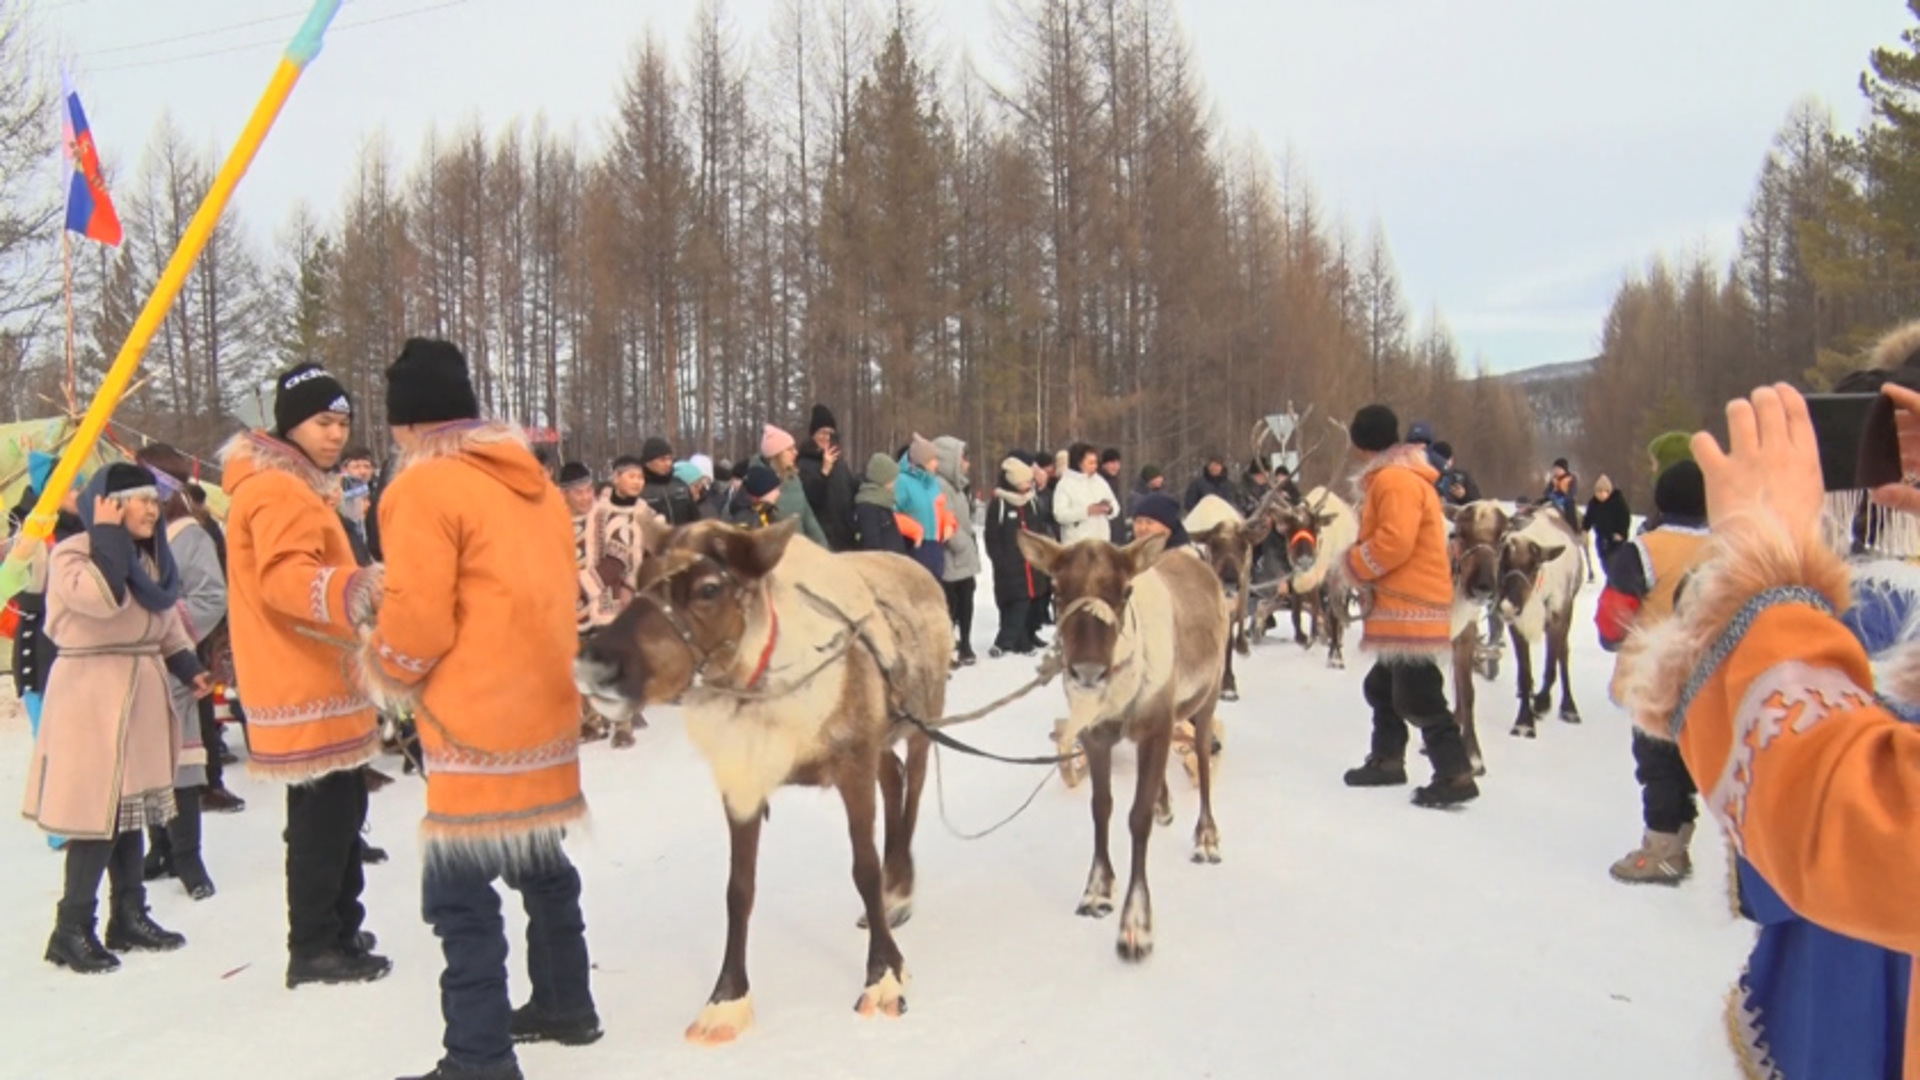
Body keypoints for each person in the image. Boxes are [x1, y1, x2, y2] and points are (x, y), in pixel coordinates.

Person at [1616, 382, 1920, 1080]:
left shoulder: (1854, 606)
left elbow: (1838, 813)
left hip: (1841, 958)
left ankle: (1662, 845)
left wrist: (1766, 572)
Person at [364, 339, 597, 1080]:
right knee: (539, 859)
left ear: (405, 423)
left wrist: (387, 670)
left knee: (458, 894)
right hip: (544, 706)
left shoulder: (422, 488)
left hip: (473, 715)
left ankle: (478, 1057)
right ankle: (567, 1002)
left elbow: (420, 618)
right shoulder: (530, 481)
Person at [221, 362, 391, 988]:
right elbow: (284, 579)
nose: (335, 435)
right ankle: (314, 944)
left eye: (343, 423)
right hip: (302, 679)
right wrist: (360, 587)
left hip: (325, 673)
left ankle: (341, 926)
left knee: (343, 812)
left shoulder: (300, 487)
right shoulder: (276, 491)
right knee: (322, 823)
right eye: (323, 422)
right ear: (291, 425)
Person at [26, 463, 208, 972]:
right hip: (91, 693)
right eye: (138, 499)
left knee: (129, 808)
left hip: (140, 687)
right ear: (107, 505)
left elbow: (163, 621)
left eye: (155, 499)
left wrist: (187, 663)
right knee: (95, 814)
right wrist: (104, 534)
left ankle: (127, 914)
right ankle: (71, 928)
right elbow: (101, 600)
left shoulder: (148, 558)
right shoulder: (74, 553)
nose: (152, 508)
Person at [1338, 405, 1478, 808]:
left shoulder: (1393, 481)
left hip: (1408, 603)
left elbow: (1395, 542)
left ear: (1360, 443)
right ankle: (1387, 760)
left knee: (1417, 695)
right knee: (1382, 686)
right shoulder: (1398, 476)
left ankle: (1455, 773)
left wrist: (1354, 565)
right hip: (1403, 601)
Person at [1596, 460, 1710, 885]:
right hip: (1709, 676)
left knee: (1657, 766)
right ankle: (1682, 833)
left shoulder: (1644, 550)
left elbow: (1615, 616)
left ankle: (1662, 849)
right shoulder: (1726, 547)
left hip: (1655, 676)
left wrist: (1611, 640)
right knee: (1688, 761)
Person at [132, 446, 227, 901]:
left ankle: (190, 856)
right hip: (136, 668)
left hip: (177, 665)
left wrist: (164, 625)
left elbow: (211, 597)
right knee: (148, 761)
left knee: (184, 763)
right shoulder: (130, 537)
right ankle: (161, 847)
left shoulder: (191, 537)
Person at [581, 460, 654, 749]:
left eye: (640, 477)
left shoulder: (645, 513)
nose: (637, 482)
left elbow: (652, 549)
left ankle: (623, 723)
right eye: (631, 476)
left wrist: (634, 584)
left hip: (629, 594)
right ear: (616, 478)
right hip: (595, 593)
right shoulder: (598, 512)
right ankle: (592, 719)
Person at [985, 456, 1042, 657]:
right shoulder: (999, 504)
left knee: (1024, 602)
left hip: (1030, 564)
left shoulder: (1032, 503)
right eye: (1025, 481)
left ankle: (1018, 641)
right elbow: (991, 536)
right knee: (1011, 602)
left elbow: (1039, 530)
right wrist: (1000, 561)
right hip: (1009, 565)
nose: (1029, 485)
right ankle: (1007, 641)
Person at [934, 436, 980, 666]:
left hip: (963, 557)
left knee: (967, 597)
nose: (967, 463)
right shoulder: (941, 486)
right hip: (951, 555)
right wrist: (962, 544)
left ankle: (966, 643)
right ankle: (948, 646)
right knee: (951, 603)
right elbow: (946, 520)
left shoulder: (959, 486)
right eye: (963, 458)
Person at [757, 425, 830, 546]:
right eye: (789, 449)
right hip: (774, 554)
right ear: (777, 454)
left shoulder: (794, 480)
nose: (795, 452)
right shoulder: (758, 483)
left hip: (799, 552)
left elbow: (808, 517)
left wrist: (823, 547)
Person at [798, 404, 858, 550]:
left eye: (830, 434)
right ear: (813, 435)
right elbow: (810, 500)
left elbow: (851, 491)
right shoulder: (803, 463)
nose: (826, 438)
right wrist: (824, 472)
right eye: (822, 433)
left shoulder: (840, 464)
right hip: (822, 537)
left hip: (844, 535)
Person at [895, 435, 950, 579]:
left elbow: (942, 510)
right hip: (914, 549)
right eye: (933, 460)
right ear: (922, 461)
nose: (937, 464)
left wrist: (949, 524)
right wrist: (914, 530)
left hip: (935, 551)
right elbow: (890, 514)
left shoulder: (934, 484)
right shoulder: (902, 481)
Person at [1052, 443, 1118, 547]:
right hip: (1077, 545)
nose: (1095, 466)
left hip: (1102, 542)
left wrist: (1109, 509)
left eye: (1096, 462)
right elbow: (1059, 514)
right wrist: (1086, 511)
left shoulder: (1100, 481)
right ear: (1079, 463)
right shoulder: (1065, 484)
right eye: (1090, 463)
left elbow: (1115, 505)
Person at [853, 453, 911, 554]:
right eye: (892, 479)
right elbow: (871, 545)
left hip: (893, 563)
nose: (894, 483)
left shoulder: (884, 502)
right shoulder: (868, 507)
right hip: (882, 565)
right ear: (882, 478)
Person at [638, 438, 698, 525]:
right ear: (648, 462)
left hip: (681, 536)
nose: (668, 463)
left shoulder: (681, 486)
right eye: (662, 459)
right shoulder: (639, 488)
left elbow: (695, 519)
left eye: (670, 459)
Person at [1584, 475, 1633, 577]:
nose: (1602, 494)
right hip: (1602, 538)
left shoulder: (1617, 502)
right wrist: (1584, 528)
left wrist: (1621, 533)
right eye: (1599, 491)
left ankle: (1616, 582)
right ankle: (1611, 579)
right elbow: (1589, 518)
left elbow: (1625, 518)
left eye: (1604, 491)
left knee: (1616, 564)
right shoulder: (1593, 504)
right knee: (1605, 563)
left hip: (1616, 539)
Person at [1128, 492, 1192, 550]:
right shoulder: (1127, 557)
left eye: (1149, 522)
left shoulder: (1184, 557)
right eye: (1139, 522)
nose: (1143, 528)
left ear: (1167, 527)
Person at [1432, 442, 1480, 507]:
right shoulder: (1427, 479)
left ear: (1452, 459)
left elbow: (1478, 504)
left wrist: (1464, 496)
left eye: (1447, 459)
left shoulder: (1462, 477)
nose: (1443, 463)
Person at [1099, 449, 1130, 544]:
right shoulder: (1100, 482)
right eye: (1112, 463)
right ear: (1104, 464)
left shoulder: (1115, 481)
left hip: (1117, 532)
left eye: (1117, 463)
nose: (1115, 467)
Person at [1543, 458, 1580, 529]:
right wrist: (1548, 495)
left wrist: (1565, 499)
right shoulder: (1554, 479)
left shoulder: (1571, 479)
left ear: (1563, 469)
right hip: (1554, 498)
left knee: (1570, 507)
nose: (1555, 471)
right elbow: (1547, 490)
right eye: (1554, 469)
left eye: (1557, 469)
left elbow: (1572, 492)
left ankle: (1573, 528)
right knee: (1540, 502)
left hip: (1566, 499)